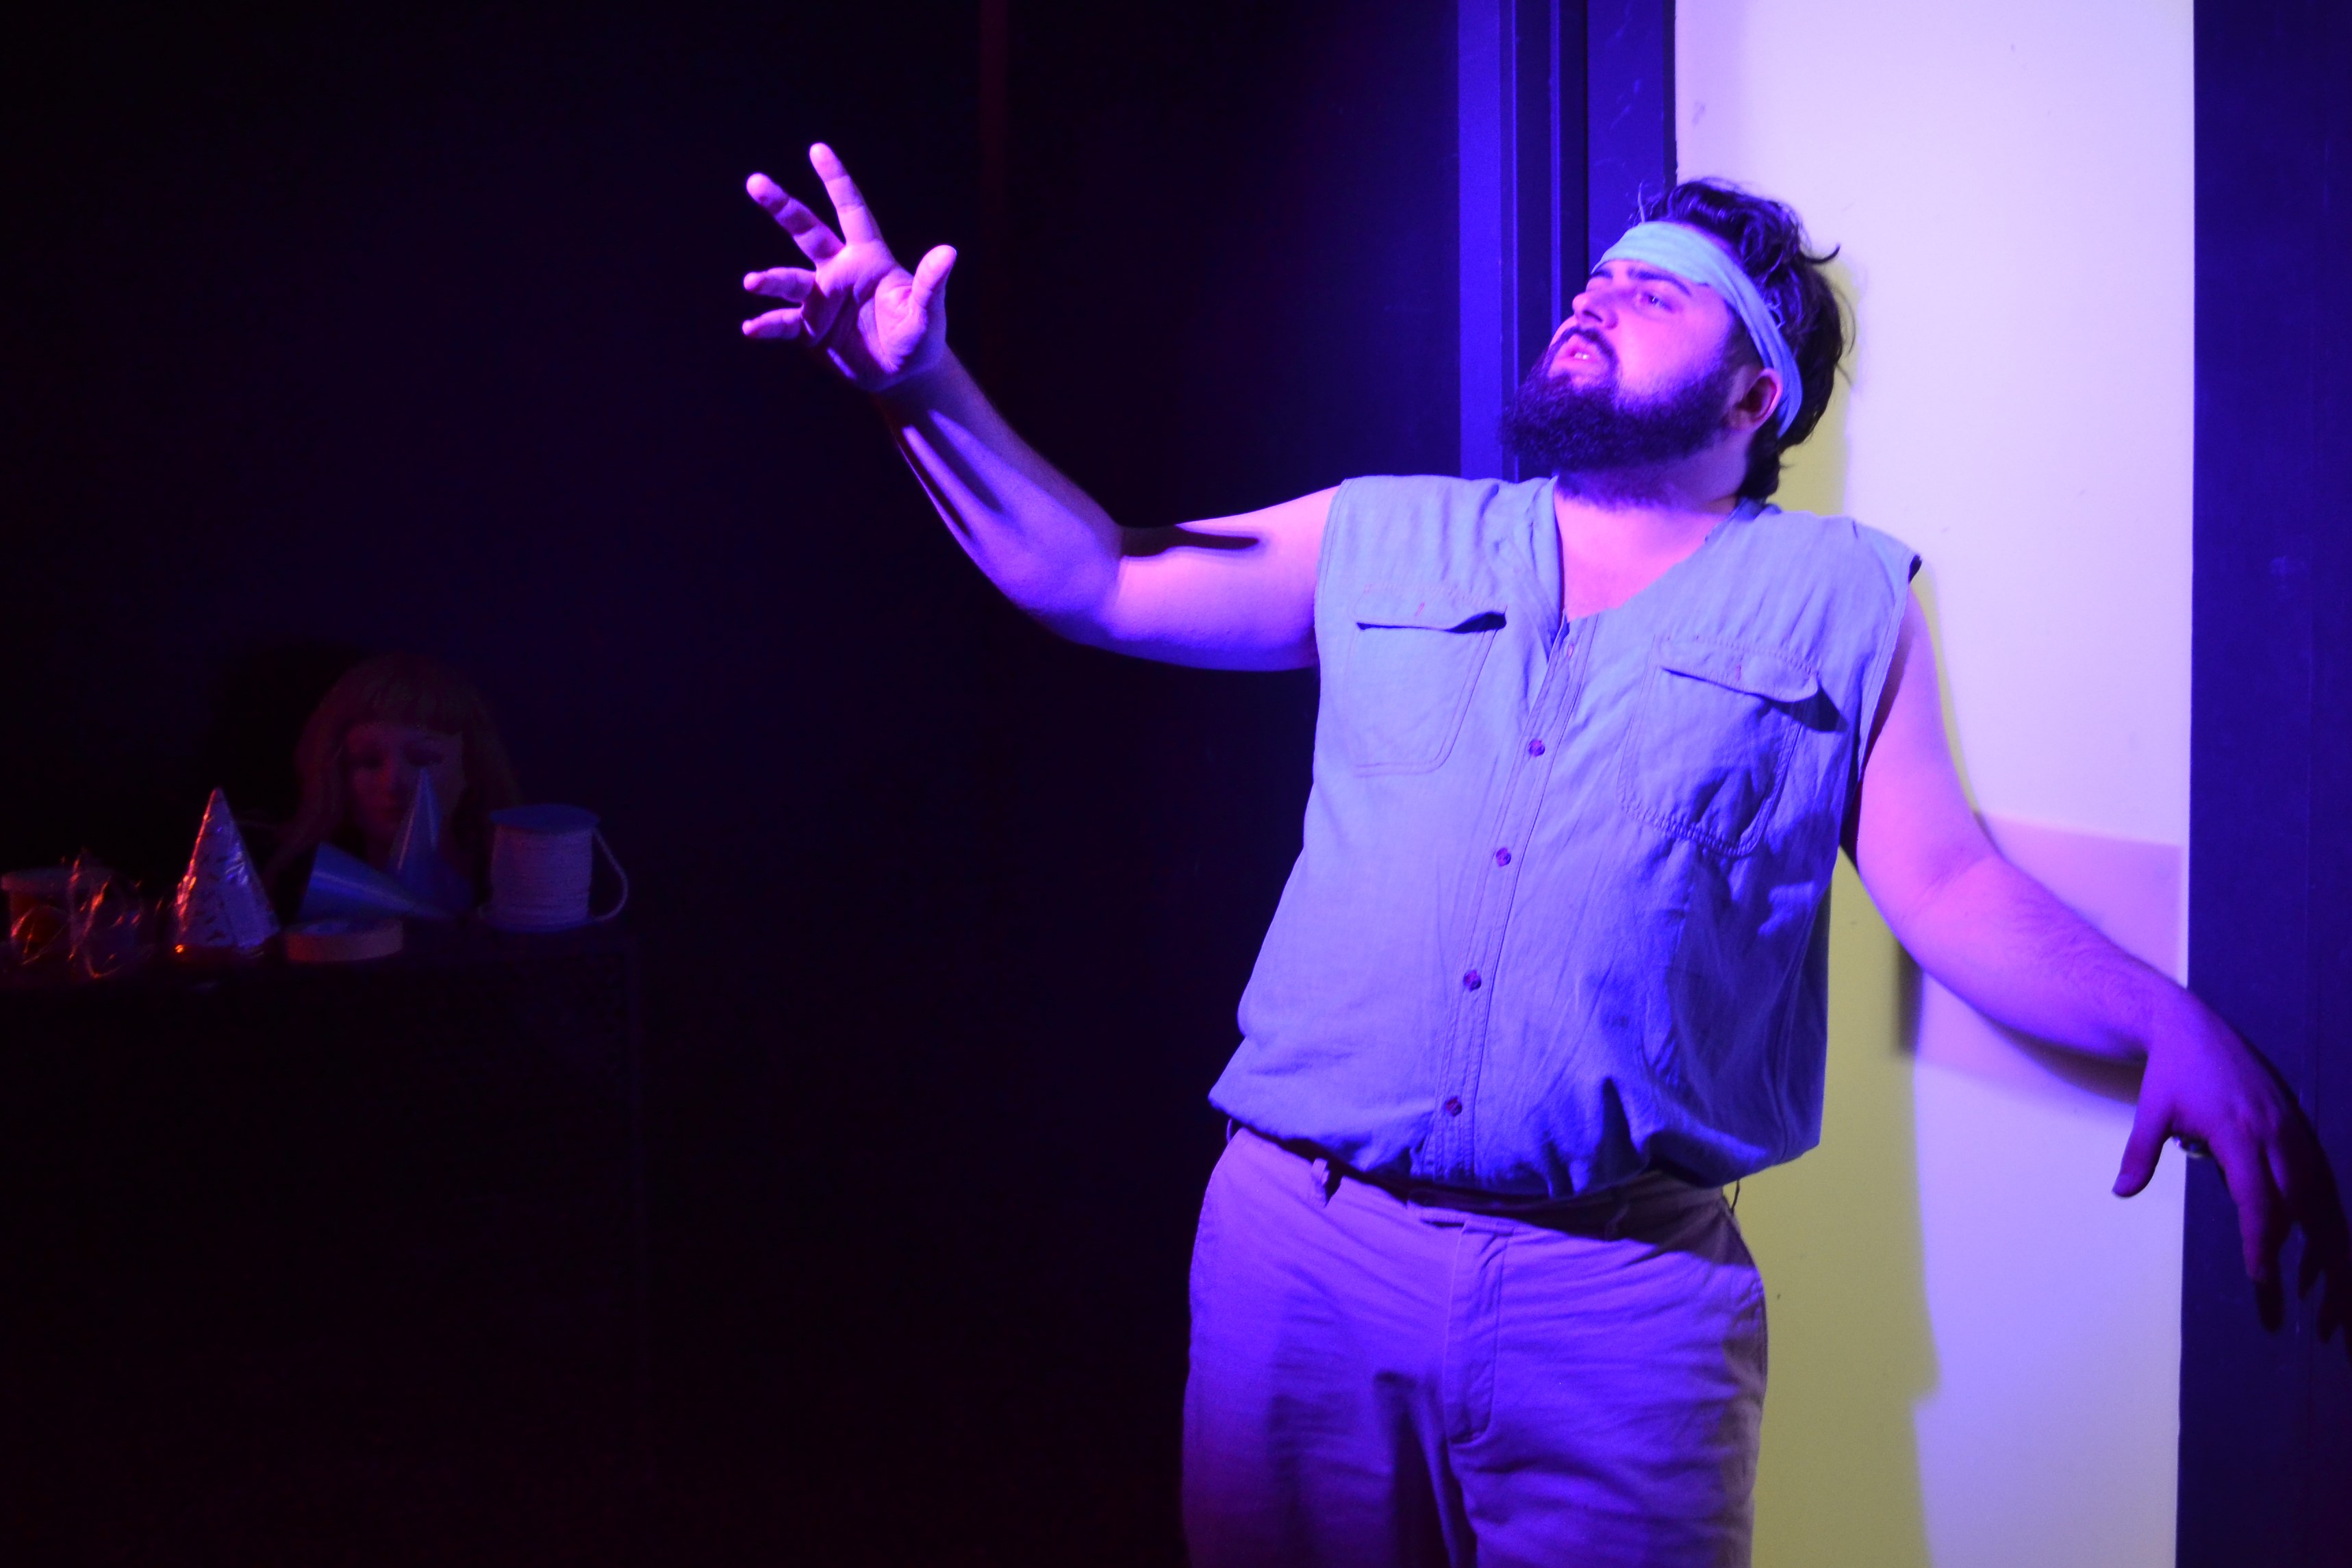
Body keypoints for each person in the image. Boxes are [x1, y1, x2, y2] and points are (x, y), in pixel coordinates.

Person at [738, 144, 2335, 1566]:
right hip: (1302, 1257)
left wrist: (2167, 1023)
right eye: (1596, 277)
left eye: (1655, 292)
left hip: (1621, 1311)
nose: (1593, 294)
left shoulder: (1846, 600)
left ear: (1753, 395)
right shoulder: (1383, 531)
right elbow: (1096, 578)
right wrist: (916, 385)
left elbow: (1949, 885)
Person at [264, 652, 523, 911]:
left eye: (422, 760)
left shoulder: (519, 888)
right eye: (369, 762)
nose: (391, 783)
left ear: (471, 766)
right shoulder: (292, 892)